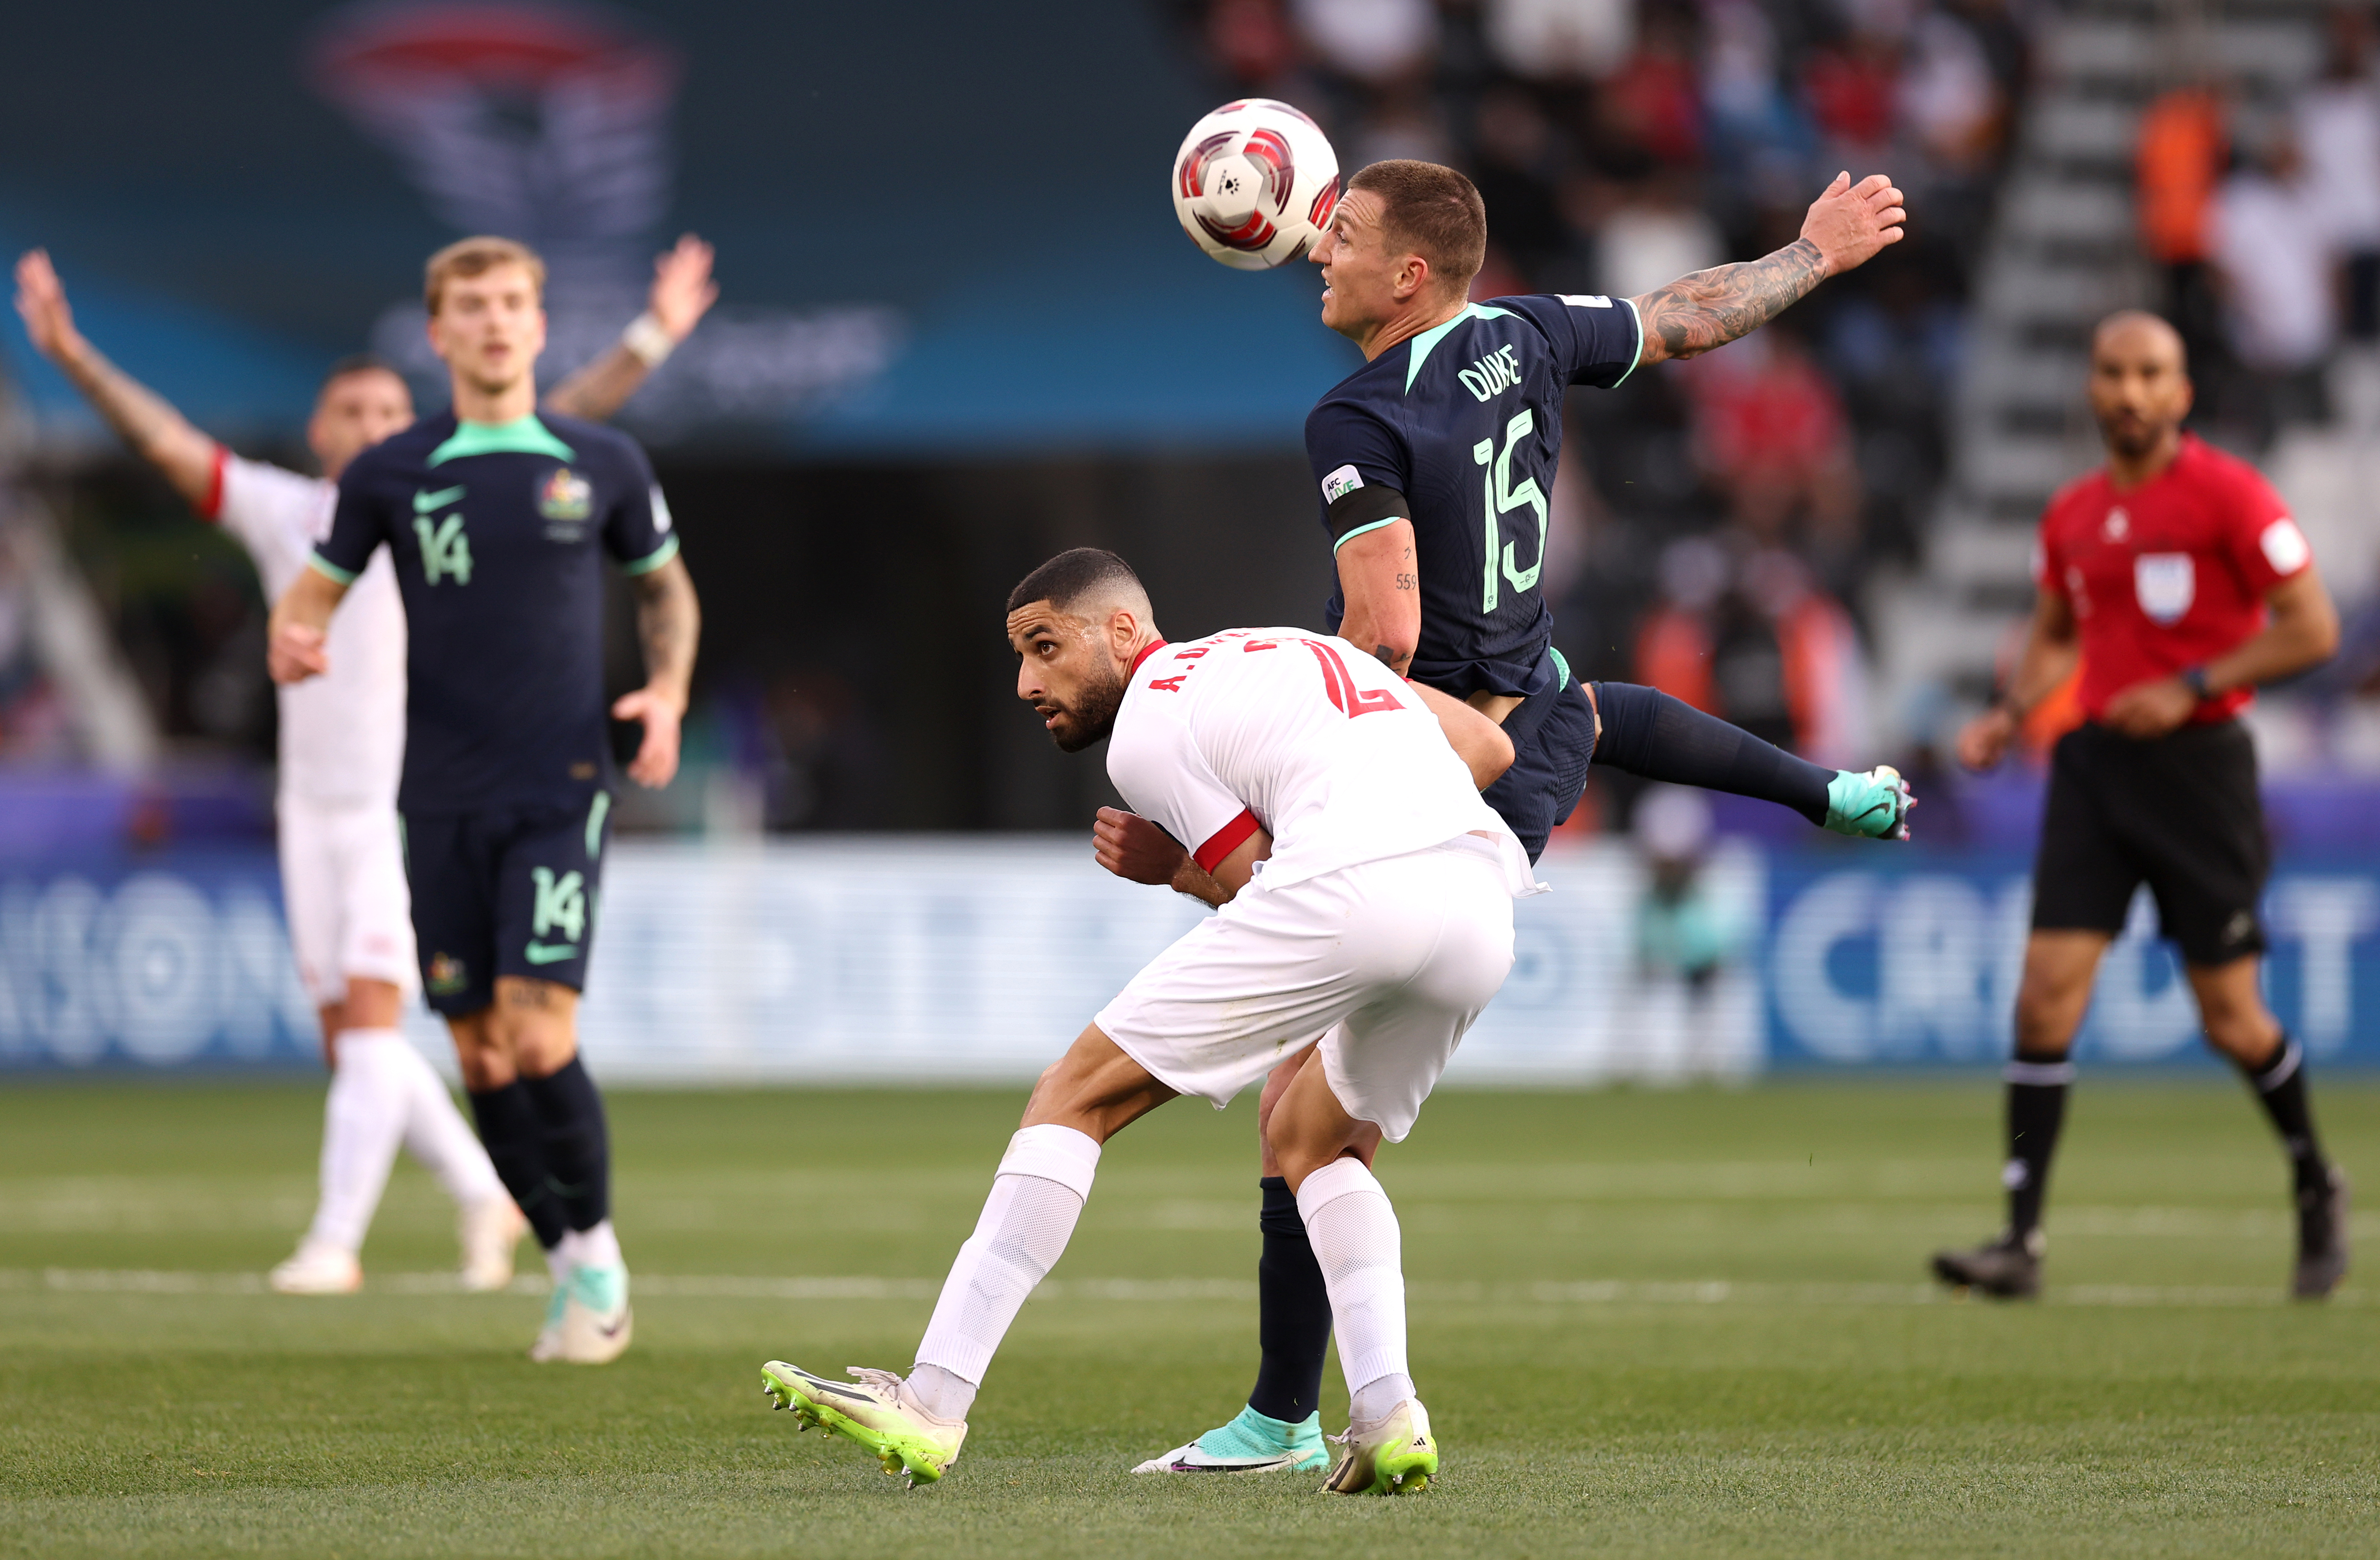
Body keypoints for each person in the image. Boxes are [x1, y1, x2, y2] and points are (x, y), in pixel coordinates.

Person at [1120, 158, 1918, 1477]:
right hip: (1533, 704)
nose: (1323, 243)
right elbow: (1687, 317)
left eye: (1350, 233)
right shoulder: (1529, 330)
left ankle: (1309, 1413)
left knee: (1315, 1124)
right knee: (1309, 1103)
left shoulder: (1356, 416)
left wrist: (1265, 712)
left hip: (1427, 762)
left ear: (1409, 275)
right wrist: (1813, 256)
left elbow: (1382, 630)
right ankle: (1284, 1409)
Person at [10, 236, 712, 1294]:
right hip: (323, 812)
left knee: (442, 1031)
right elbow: (164, 442)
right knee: (391, 1045)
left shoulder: (496, 472)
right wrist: (67, 355)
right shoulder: (307, 509)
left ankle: (347, 1241)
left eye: (394, 412)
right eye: (360, 413)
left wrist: (654, 333)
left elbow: (564, 408)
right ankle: (486, 1189)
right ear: (322, 429)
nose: (382, 427)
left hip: (429, 795)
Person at [757, 547, 1528, 1493]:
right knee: (1313, 1138)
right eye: (1020, 656)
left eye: (1046, 647)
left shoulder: (1150, 719)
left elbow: (1252, 884)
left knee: (1073, 1094)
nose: (1026, 681)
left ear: (1125, 631)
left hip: (1355, 887)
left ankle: (931, 1400)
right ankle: (1386, 1410)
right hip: (1482, 899)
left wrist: (1174, 869)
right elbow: (1491, 751)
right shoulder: (1281, 646)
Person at [267, 235, 701, 1360]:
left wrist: (662, 693)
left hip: (559, 787)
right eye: (475, 307)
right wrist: (294, 636)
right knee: (479, 1055)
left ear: (539, 325)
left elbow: (667, 595)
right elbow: (311, 594)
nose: (498, 321)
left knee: (536, 1028)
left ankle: (598, 1252)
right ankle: (563, 1257)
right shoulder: (391, 473)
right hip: (436, 800)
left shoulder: (599, 459)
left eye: (514, 302)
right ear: (441, 332)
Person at [1932, 310, 2349, 1301]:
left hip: (2200, 771)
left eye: (2149, 373)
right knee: (2043, 994)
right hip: (2093, 768)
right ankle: (2019, 1243)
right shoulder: (2071, 514)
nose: (2129, 391)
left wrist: (2193, 684)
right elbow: (2055, 632)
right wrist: (2010, 711)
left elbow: (2314, 629)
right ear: (2092, 386)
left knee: (2231, 1020)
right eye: (2113, 372)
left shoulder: (2230, 497)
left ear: (2181, 389)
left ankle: (2314, 1179)